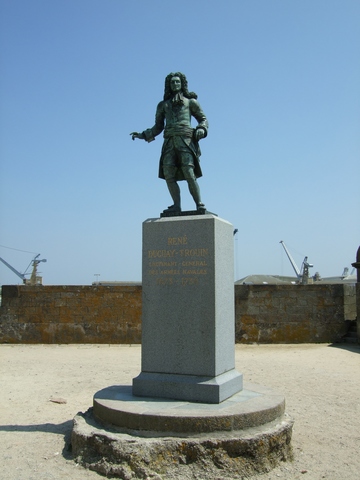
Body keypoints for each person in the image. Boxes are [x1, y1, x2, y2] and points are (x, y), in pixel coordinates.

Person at [131, 72, 208, 213]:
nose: (175, 84)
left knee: (189, 173)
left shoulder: (191, 102)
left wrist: (202, 129)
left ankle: (199, 204)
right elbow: (158, 126)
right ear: (168, 85)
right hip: (169, 143)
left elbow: (203, 119)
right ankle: (176, 205)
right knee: (169, 175)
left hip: (186, 141)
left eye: (177, 82)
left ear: (182, 84)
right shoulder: (163, 105)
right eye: (172, 82)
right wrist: (143, 135)